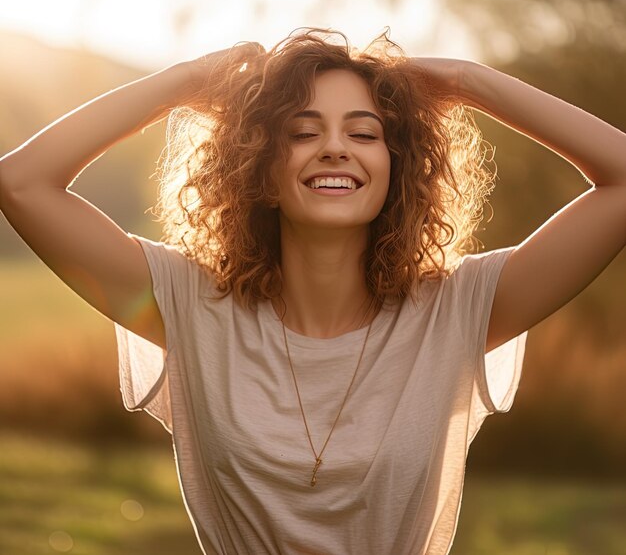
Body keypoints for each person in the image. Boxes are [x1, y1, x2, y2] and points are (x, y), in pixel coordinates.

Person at [0, 27, 624, 555]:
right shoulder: (188, 305)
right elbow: (22, 183)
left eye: (363, 133)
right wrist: (186, 84)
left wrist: (464, 82)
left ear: (394, 168)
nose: (333, 148)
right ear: (260, 170)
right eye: (301, 132)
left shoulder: (459, 309)